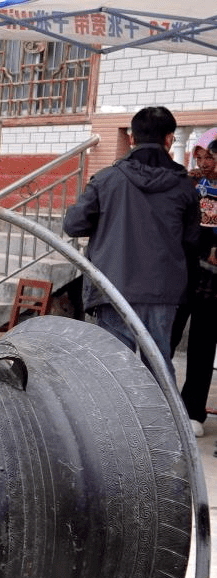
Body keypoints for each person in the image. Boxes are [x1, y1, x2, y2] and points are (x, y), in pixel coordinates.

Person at [63, 106, 200, 365]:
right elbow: (192, 244)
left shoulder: (107, 180)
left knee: (116, 373)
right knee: (159, 372)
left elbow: (73, 224)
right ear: (170, 139)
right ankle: (160, 408)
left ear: (131, 138)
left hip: (113, 290)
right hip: (162, 292)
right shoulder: (184, 187)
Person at [178, 131, 217, 436]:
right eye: (199, 156)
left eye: (211, 157)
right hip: (184, 269)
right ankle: (163, 402)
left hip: (212, 279)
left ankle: (194, 411)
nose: (204, 163)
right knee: (166, 335)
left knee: (202, 343)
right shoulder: (191, 185)